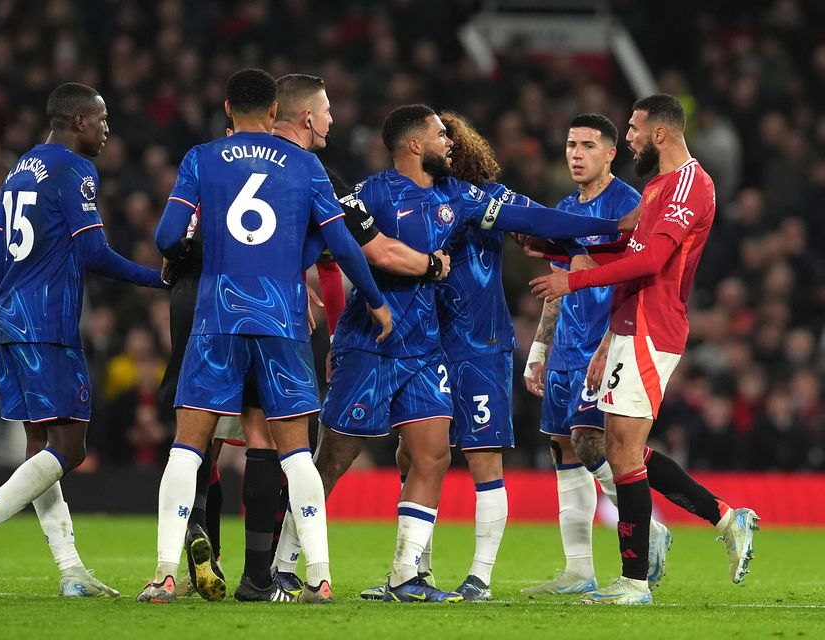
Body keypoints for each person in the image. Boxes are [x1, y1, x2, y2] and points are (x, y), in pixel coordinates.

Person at [284, 104, 631, 603]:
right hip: (422, 342)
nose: (450, 143)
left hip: (482, 344)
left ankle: (478, 578)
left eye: (453, 137)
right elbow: (343, 244)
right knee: (410, 455)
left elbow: (536, 219)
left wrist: (599, 235)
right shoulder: (393, 193)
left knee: (476, 457)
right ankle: (409, 571)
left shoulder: (479, 198)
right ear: (419, 146)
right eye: (442, 135)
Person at [141, 68, 392, 605]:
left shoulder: (201, 159)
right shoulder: (306, 165)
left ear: (229, 108)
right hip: (281, 321)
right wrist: (374, 300)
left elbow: (166, 236)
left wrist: (187, 253)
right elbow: (343, 246)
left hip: (217, 318)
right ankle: (319, 578)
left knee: (188, 446)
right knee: (295, 453)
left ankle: (164, 574)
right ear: (276, 109)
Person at [0, 82, 165, 598]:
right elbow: (94, 253)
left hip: (13, 322)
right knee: (71, 446)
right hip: (49, 325)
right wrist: (158, 279)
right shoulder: (74, 169)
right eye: (101, 119)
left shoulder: (18, 170)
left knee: (40, 446)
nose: (107, 129)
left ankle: (71, 571)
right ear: (78, 121)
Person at [530, 94, 760, 605]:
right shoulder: (658, 186)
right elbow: (628, 249)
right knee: (616, 448)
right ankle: (725, 519)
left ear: (659, 133)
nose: (628, 137)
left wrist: (573, 282)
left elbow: (653, 261)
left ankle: (635, 581)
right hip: (630, 325)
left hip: (655, 328)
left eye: (633, 130)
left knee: (622, 451)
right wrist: (555, 249)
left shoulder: (690, 185)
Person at [520, 114, 673, 595]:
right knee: (563, 449)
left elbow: (638, 282)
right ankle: (578, 569)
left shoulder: (629, 206)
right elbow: (558, 288)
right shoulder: (566, 208)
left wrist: (610, 341)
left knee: (591, 443)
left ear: (611, 153)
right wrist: (539, 351)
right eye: (570, 144)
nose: (576, 153)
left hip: (605, 346)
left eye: (588, 145)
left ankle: (649, 526)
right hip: (567, 345)